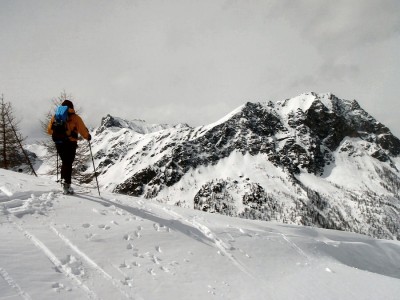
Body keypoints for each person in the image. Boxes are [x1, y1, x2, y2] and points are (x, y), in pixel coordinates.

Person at [47, 100, 91, 194]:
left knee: (65, 162)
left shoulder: (55, 116)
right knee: (68, 163)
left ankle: (64, 183)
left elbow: (49, 131)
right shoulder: (75, 117)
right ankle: (67, 185)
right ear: (71, 107)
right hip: (70, 143)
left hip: (59, 143)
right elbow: (82, 130)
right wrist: (88, 136)